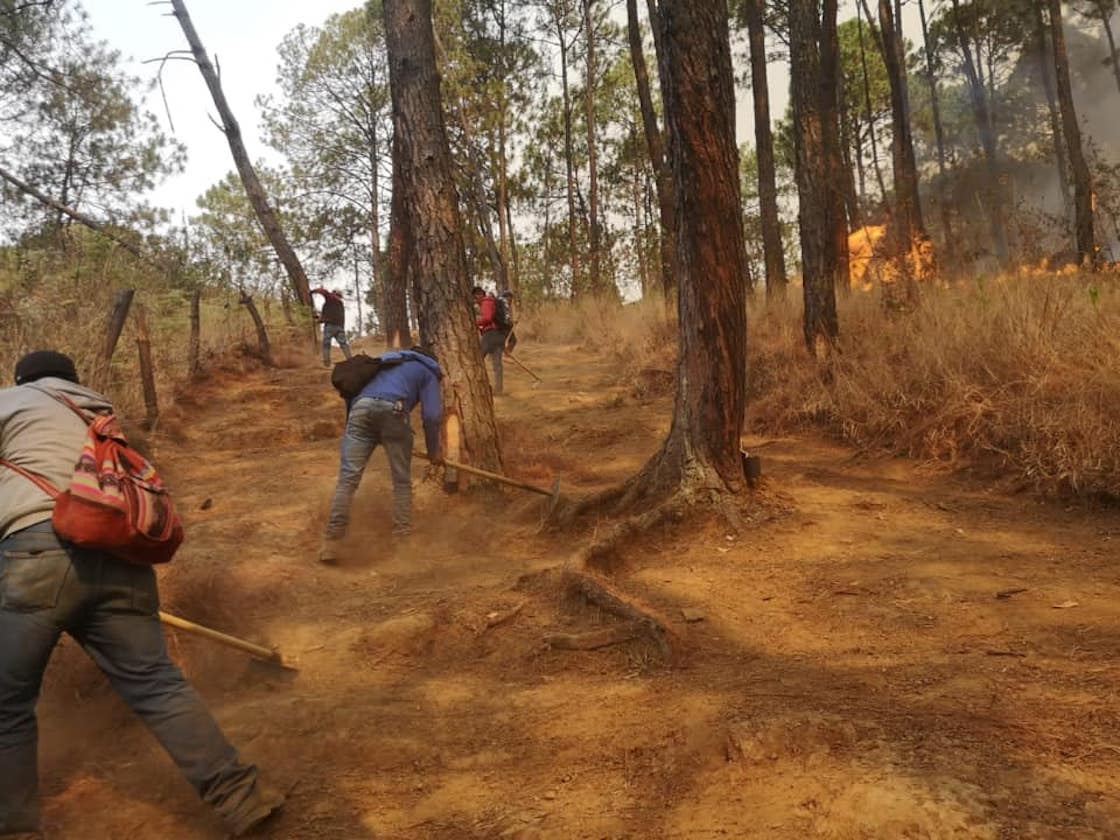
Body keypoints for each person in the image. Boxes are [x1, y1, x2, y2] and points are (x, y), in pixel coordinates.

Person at [0, 351, 283, 837]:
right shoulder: (103, 413)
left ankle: (17, 830)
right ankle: (240, 797)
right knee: (157, 684)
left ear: (23, 379)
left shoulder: (13, 402)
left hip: (37, 556)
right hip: (121, 557)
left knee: (7, 704)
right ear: (75, 380)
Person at [319, 347, 444, 564]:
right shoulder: (427, 370)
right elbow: (432, 416)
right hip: (394, 411)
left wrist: (360, 429)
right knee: (401, 482)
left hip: (359, 410)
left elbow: (354, 391)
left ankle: (331, 544)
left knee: (347, 482)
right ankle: (402, 542)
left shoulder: (385, 361)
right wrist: (434, 452)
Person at [473, 286, 509, 395]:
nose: (475, 301)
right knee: (497, 364)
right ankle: (499, 389)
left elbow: (487, 318)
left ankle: (478, 387)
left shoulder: (486, 302)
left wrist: (476, 323)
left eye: (475, 298)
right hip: (499, 335)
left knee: (477, 359)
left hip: (490, 335)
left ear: (479, 295)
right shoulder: (492, 302)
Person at [311, 287, 352, 367]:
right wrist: (318, 318)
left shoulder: (331, 298)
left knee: (326, 344)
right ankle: (350, 359)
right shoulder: (340, 304)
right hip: (340, 328)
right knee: (343, 344)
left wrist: (312, 291)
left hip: (330, 327)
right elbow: (330, 315)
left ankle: (326, 362)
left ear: (334, 293)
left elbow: (324, 291)